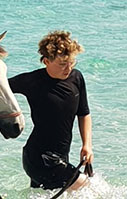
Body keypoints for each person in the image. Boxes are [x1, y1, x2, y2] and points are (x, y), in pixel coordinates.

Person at [9, 30, 93, 190]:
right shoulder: (32, 81)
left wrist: (87, 145)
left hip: (61, 155)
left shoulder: (76, 78)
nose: (68, 68)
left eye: (71, 62)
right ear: (46, 61)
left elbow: (84, 113)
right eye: (62, 64)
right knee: (86, 188)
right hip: (38, 157)